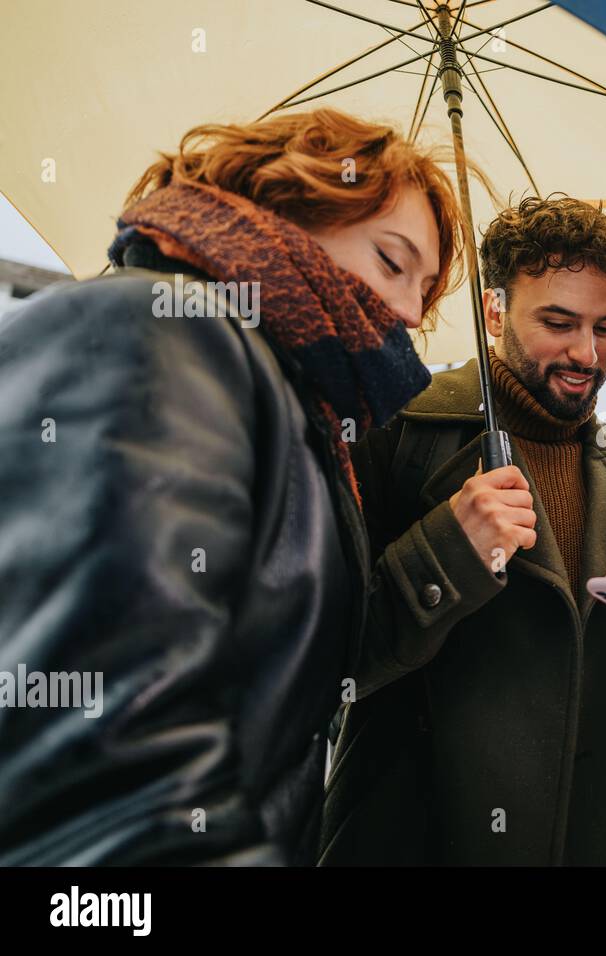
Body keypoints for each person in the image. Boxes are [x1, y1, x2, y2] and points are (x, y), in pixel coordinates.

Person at [0, 108, 465, 865]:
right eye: (391, 260)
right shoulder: (160, 330)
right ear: (289, 204)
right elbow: (99, 750)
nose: (410, 312)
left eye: (425, 289)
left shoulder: (292, 408)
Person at [319, 196, 606, 866]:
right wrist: (444, 555)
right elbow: (319, 663)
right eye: (559, 322)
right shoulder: (393, 434)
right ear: (493, 312)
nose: (587, 352)